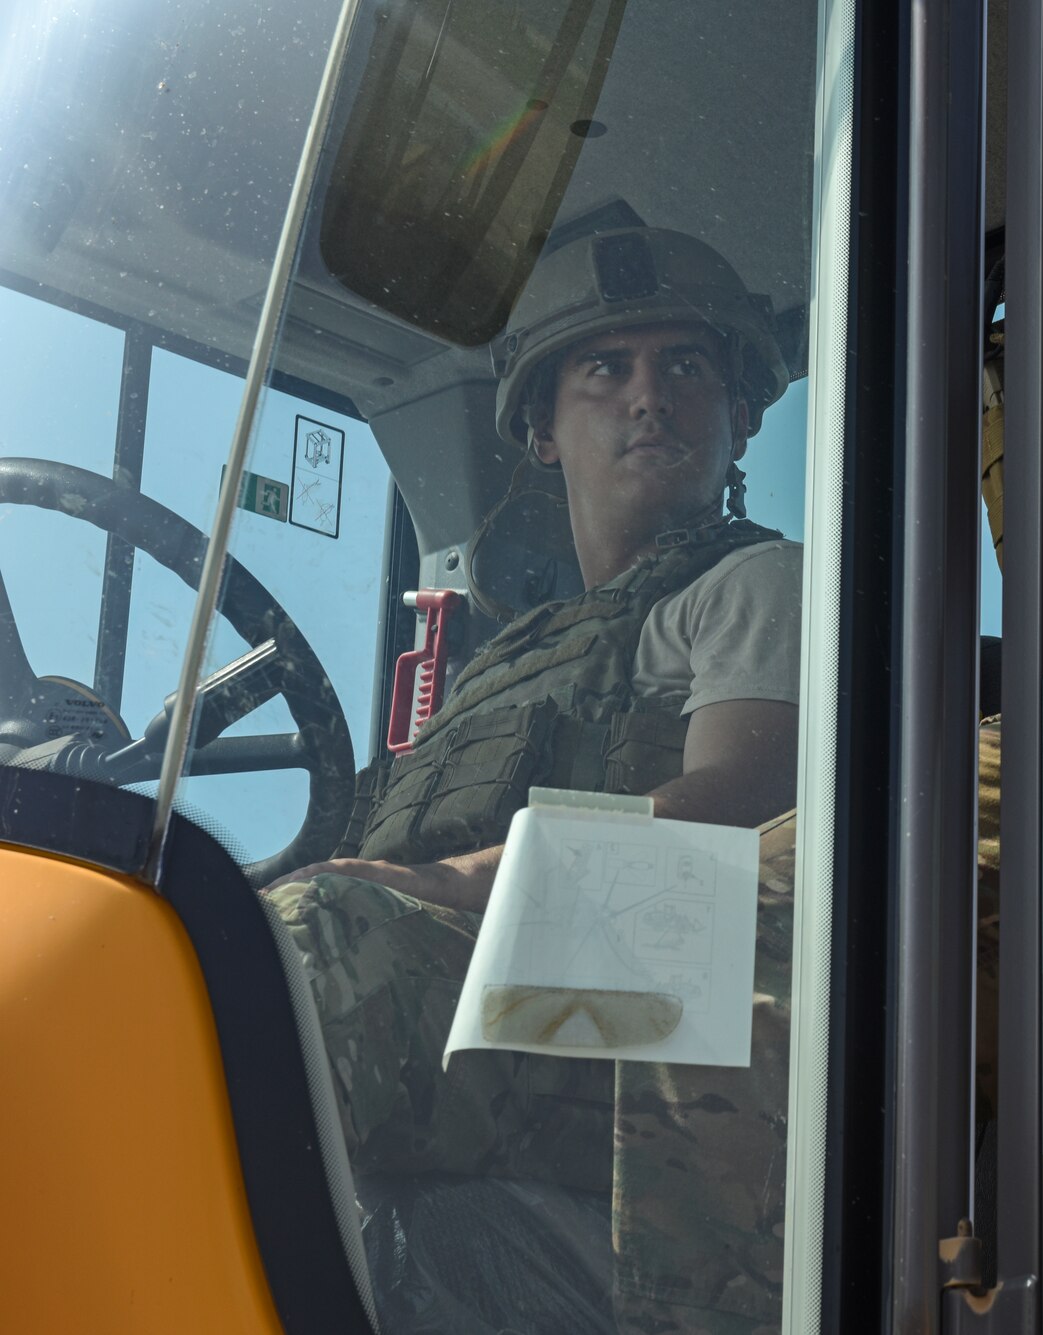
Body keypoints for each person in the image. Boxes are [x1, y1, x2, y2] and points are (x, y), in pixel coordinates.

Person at [262, 220, 804, 1334]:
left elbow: (742, 806)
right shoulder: (501, 659)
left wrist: (464, 881)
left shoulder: (755, 583)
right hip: (483, 1016)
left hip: (631, 1033)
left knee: (304, 947)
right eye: (606, 369)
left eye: (686, 367)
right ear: (544, 431)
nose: (648, 397)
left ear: (741, 412)